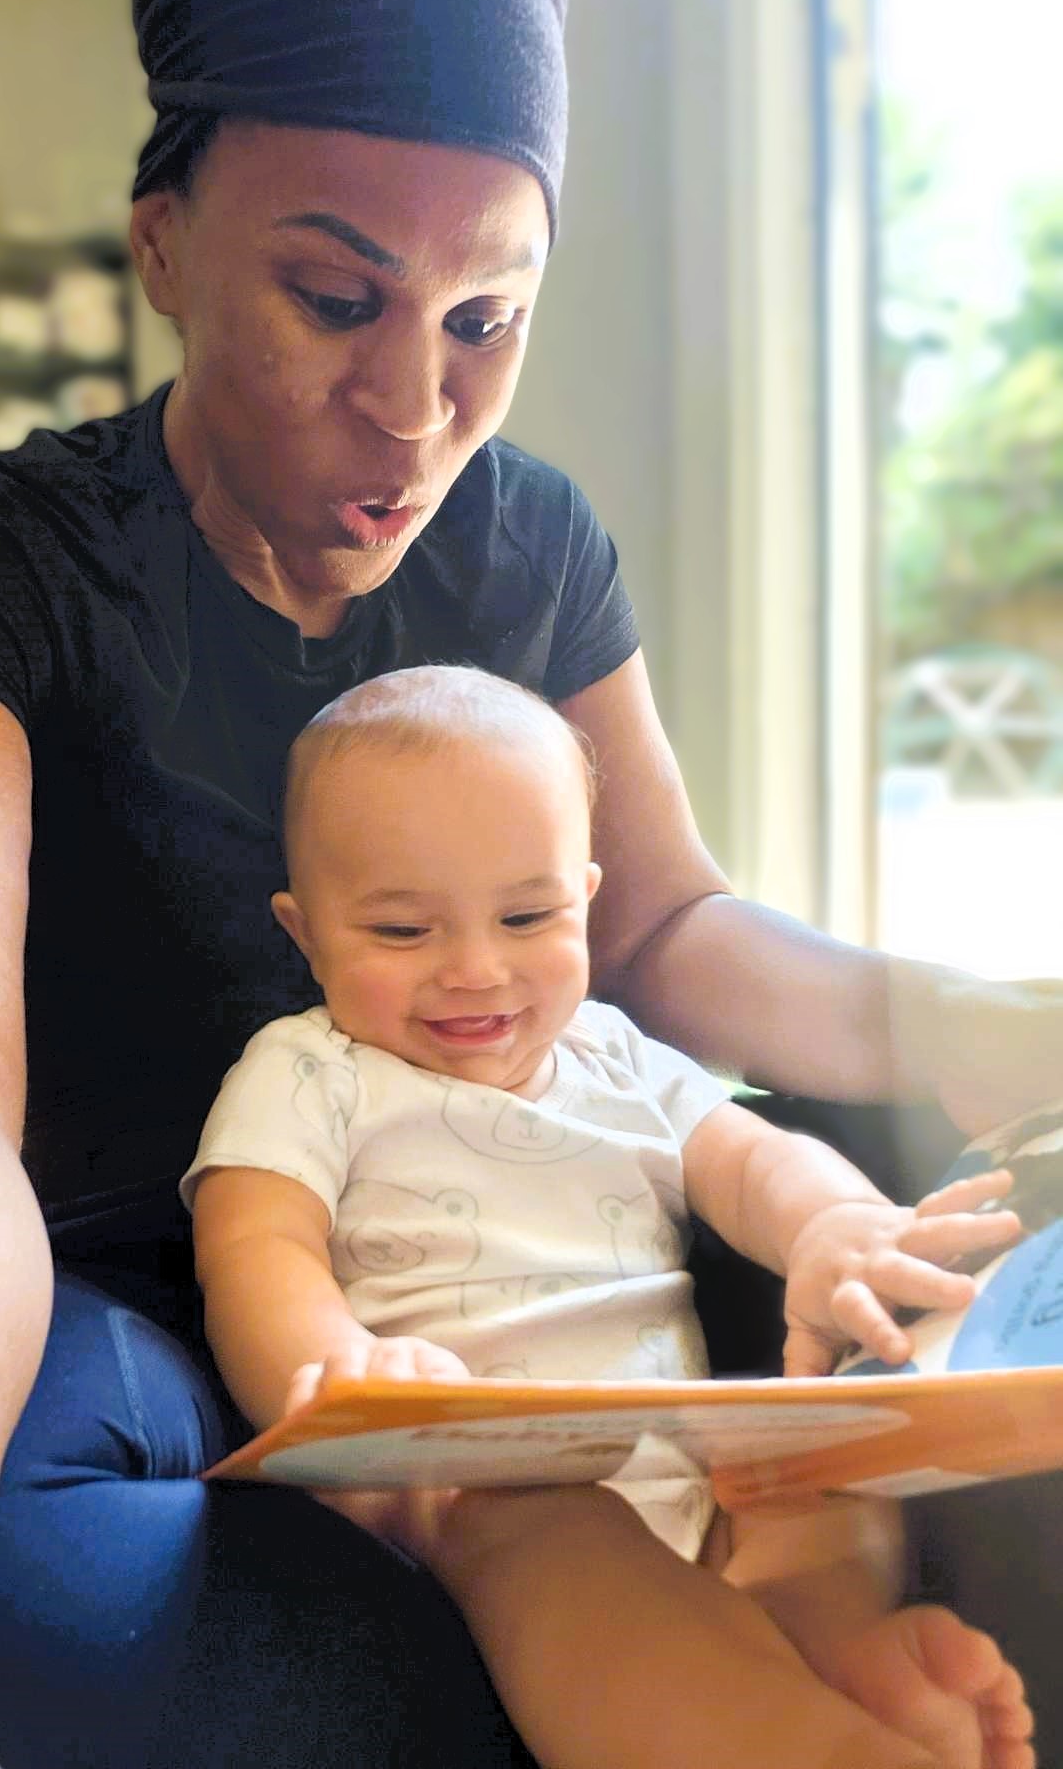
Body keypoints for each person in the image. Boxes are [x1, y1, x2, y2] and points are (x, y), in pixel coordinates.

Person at [0, 0, 1060, 1764]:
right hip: (161, 1311)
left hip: (535, 1263)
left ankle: (794, 1648)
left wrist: (956, 1022)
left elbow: (661, 918)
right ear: (164, 244)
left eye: (484, 318)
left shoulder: (525, 543)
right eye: (336, 297)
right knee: (63, 1605)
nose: (414, 410)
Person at [184, 664, 1035, 1769]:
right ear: (306, 934)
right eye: (401, 932)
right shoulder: (310, 1071)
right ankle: (803, 1744)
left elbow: (752, 1159)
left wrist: (833, 1226)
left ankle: (845, 1659)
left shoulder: (615, 1056)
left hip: (680, 1457)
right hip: (456, 1483)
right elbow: (256, 1245)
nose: (475, 969)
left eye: (528, 916)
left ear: (585, 897)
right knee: (560, 1530)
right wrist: (340, 1361)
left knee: (817, 1488)